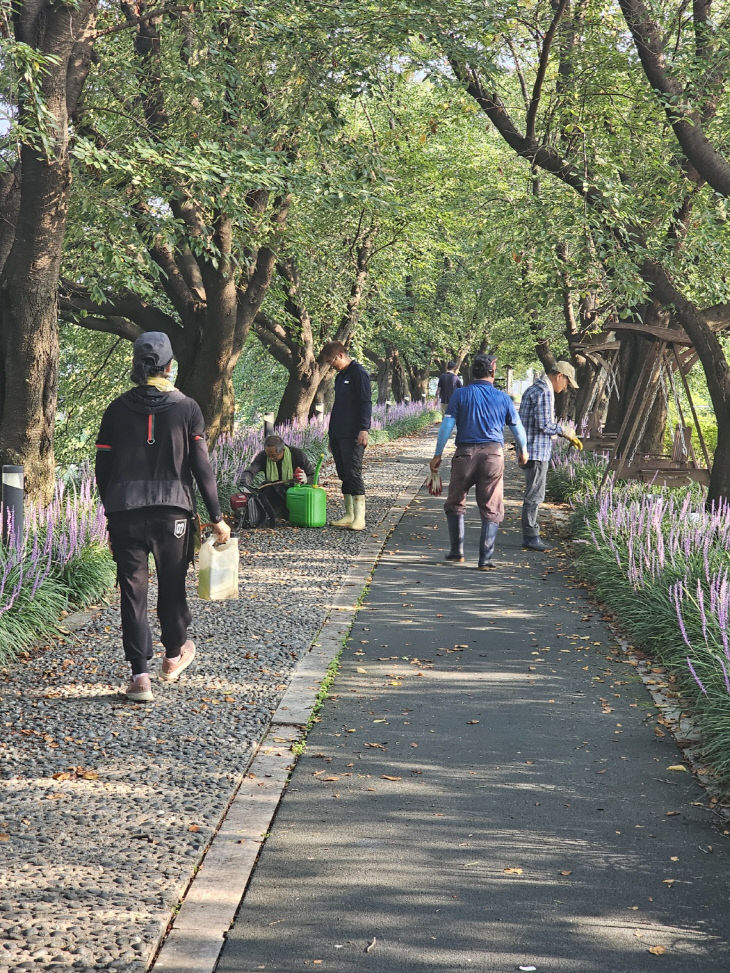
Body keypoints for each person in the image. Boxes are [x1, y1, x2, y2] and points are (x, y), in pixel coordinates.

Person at [95, 332, 231, 703]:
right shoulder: (187, 408)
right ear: (170, 366)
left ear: (136, 365)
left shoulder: (116, 409)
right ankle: (173, 656)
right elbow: (201, 467)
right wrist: (217, 516)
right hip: (174, 512)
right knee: (172, 585)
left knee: (132, 593)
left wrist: (112, 510)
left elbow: (102, 468)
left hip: (126, 512)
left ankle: (139, 676)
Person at [429, 353, 528, 569]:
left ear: (472, 372)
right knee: (491, 506)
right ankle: (485, 559)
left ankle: (457, 552)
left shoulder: (460, 395)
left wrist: (438, 454)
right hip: (493, 457)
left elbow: (446, 426)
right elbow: (517, 428)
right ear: (493, 372)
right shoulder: (503, 398)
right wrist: (524, 450)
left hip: (464, 455)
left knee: (455, 502)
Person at [518, 360, 583, 552]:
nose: (565, 388)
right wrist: (564, 431)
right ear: (559, 376)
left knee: (533, 493)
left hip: (529, 449)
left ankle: (530, 533)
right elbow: (545, 424)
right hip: (537, 451)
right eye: (566, 383)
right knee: (535, 495)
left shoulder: (534, 389)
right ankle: (531, 536)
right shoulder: (544, 392)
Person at [321, 340, 372, 531]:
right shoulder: (340, 377)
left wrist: (364, 429)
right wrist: (331, 435)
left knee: (353, 472)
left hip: (353, 433)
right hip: (338, 433)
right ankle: (349, 513)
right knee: (343, 473)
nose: (331, 365)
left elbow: (365, 402)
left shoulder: (359, 373)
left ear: (341, 355)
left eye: (331, 360)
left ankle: (360, 517)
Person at [239, 434, 315, 521]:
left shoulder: (297, 454)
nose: (270, 458)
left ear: (282, 450)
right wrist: (244, 483)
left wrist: (305, 479)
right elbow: (250, 471)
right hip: (273, 493)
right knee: (265, 486)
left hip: (294, 494)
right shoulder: (263, 456)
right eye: (268, 455)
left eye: (273, 455)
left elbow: (313, 477)